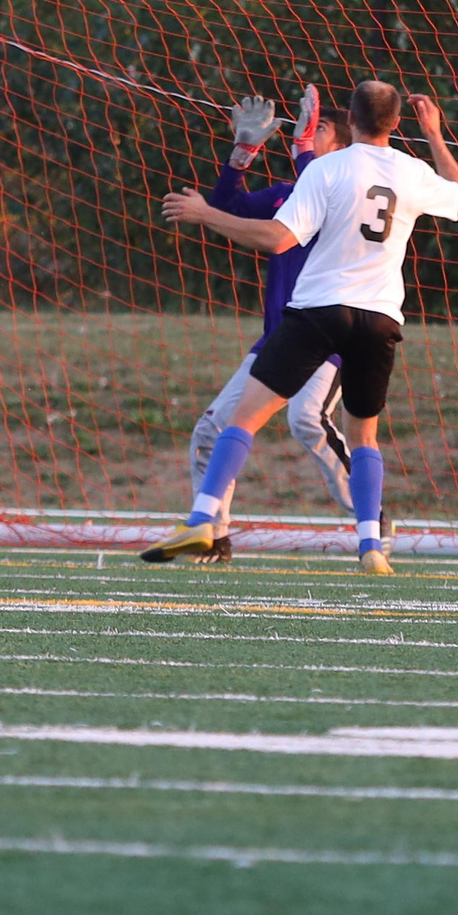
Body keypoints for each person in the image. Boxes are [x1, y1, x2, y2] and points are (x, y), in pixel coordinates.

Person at [147, 79, 458, 575]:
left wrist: (206, 214)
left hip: (321, 314)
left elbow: (277, 240)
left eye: (320, 127)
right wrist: (435, 133)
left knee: (247, 422)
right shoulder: (410, 170)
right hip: (380, 318)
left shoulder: (325, 170)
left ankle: (200, 519)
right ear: (399, 122)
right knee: (364, 437)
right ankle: (370, 547)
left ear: (349, 122)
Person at [160, 85, 370, 565]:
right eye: (302, 131)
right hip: (278, 338)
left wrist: (300, 150)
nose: (302, 134)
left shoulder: (342, 196)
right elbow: (226, 207)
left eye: (315, 131)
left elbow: (311, 190)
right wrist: (242, 153)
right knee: (210, 431)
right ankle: (214, 535)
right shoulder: (286, 195)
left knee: (305, 419)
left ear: (339, 147)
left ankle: (371, 519)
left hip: (329, 338)